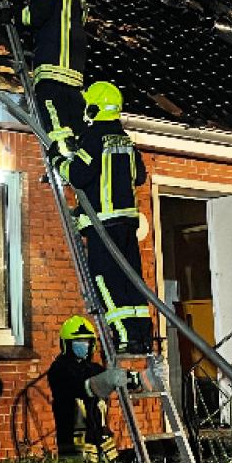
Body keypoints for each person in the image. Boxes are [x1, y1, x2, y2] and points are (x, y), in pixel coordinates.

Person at [49, 81, 152, 354]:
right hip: (127, 226)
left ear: (93, 108)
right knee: (131, 281)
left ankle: (123, 337)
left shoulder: (94, 138)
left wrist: (58, 162)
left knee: (106, 282)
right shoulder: (126, 140)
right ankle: (141, 337)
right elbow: (140, 176)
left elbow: (80, 174)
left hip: (102, 226)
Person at [18, 0, 90, 156]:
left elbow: (32, 16)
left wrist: (13, 15)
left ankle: (63, 151)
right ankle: (81, 153)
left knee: (52, 108)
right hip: (75, 73)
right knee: (75, 115)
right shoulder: (82, 1)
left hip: (52, 65)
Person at [48, 315, 126, 462]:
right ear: (66, 344)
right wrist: (107, 381)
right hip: (74, 447)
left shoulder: (93, 368)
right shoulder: (59, 369)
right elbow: (84, 386)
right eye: (78, 341)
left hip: (101, 445)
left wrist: (140, 378)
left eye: (87, 341)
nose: (83, 345)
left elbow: (114, 381)